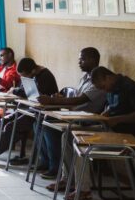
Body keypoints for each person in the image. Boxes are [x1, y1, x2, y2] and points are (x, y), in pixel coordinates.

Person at [54, 66, 135, 200]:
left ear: (108, 77)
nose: (103, 90)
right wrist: (105, 113)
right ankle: (68, 179)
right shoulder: (111, 88)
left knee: (81, 142)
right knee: (68, 135)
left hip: (126, 136)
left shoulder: (131, 87)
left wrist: (118, 119)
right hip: (109, 129)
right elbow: (113, 108)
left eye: (103, 86)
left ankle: (84, 190)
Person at [0, 58, 58, 163]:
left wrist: (16, 91)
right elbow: (23, 91)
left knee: (11, 127)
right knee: (4, 120)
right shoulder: (30, 74)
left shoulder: (45, 76)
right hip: (29, 108)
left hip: (40, 112)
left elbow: (35, 95)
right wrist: (15, 90)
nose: (22, 78)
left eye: (24, 75)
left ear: (32, 71)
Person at [34, 47, 107, 179]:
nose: (79, 63)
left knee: (49, 126)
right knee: (40, 121)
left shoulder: (98, 80)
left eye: (82, 60)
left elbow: (80, 100)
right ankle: (46, 162)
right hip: (74, 115)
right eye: (79, 60)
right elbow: (76, 97)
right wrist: (61, 99)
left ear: (93, 60)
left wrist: (52, 100)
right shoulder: (85, 77)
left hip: (86, 120)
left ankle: (55, 167)